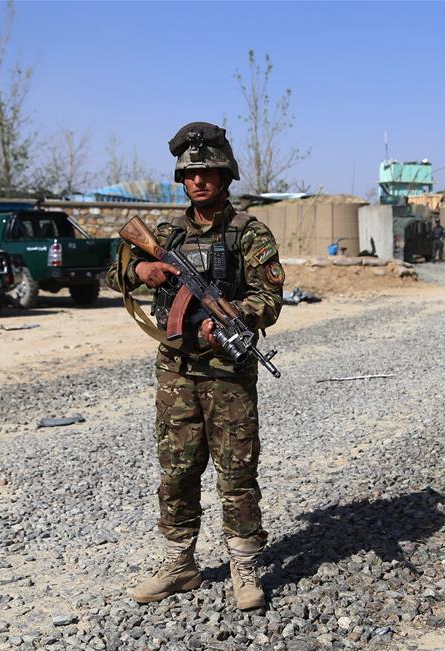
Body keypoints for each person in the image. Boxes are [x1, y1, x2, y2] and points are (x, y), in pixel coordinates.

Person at [106, 122, 284, 610]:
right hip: (176, 372)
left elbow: (269, 299)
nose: (198, 181)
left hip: (227, 373)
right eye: (190, 173)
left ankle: (244, 566)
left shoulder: (250, 233)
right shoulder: (165, 234)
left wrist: (231, 319)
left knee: (237, 472)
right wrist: (140, 270)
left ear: (225, 176)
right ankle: (179, 563)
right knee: (177, 470)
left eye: (208, 172)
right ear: (181, 180)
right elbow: (111, 272)